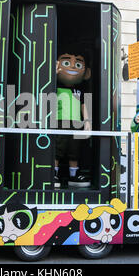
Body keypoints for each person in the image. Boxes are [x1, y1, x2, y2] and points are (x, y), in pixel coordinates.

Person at [54, 52, 92, 188]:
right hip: (59, 121)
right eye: (66, 63)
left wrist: (87, 121)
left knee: (74, 150)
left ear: (86, 72)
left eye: (77, 64)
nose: (72, 67)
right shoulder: (54, 86)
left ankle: (73, 175)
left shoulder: (80, 90)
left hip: (76, 123)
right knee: (57, 148)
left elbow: (83, 105)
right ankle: (54, 173)